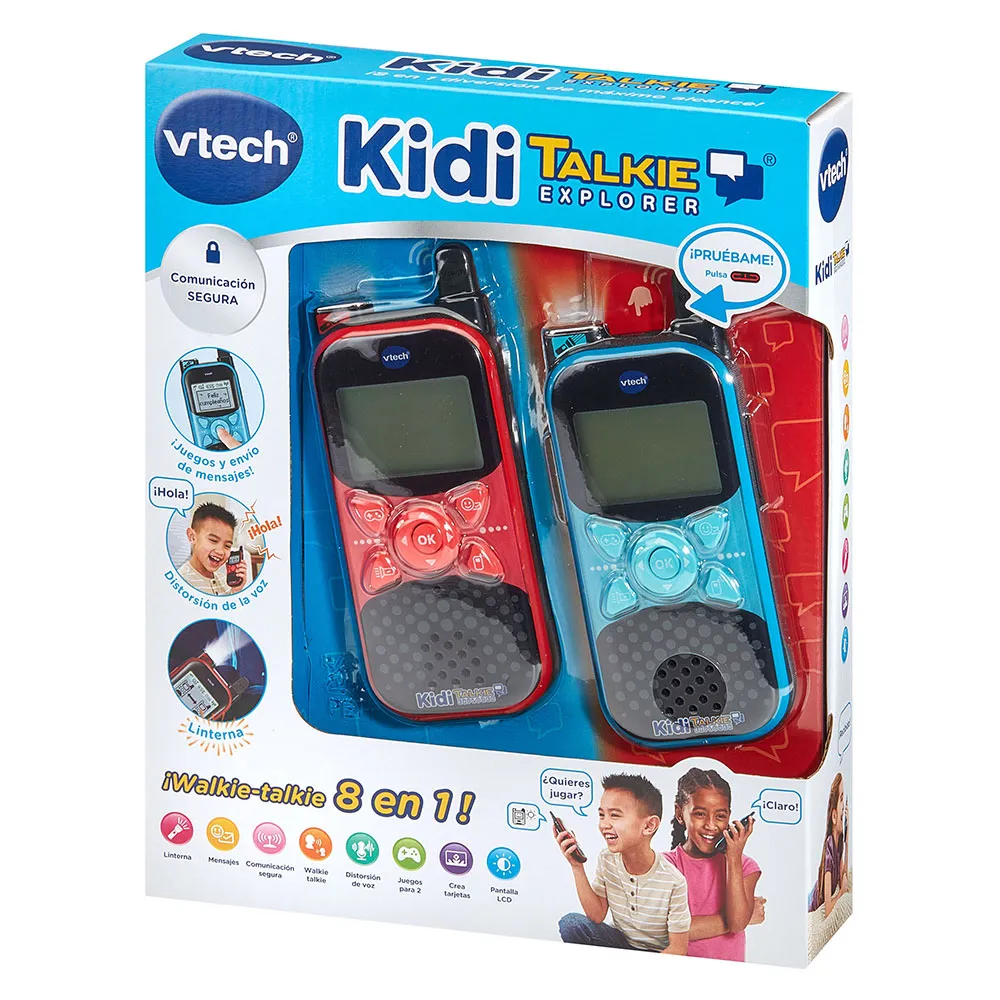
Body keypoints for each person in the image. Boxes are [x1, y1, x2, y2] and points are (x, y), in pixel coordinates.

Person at [555, 773, 690, 955]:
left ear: (649, 826)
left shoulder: (674, 882)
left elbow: (678, 949)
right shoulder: (607, 859)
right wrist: (576, 866)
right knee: (571, 923)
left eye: (615, 815)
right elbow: (596, 915)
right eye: (602, 815)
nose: (604, 824)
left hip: (656, 954)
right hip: (619, 944)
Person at [663, 767, 765, 962]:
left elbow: (737, 924)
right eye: (700, 814)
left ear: (729, 816)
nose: (711, 825)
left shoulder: (745, 866)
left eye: (720, 816)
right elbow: (665, 930)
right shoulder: (665, 865)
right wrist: (746, 915)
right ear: (679, 813)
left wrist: (733, 858)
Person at [177, 502, 247, 595]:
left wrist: (236, 591)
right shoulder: (181, 582)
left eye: (227, 546)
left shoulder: (225, 582)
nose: (220, 551)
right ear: (192, 537)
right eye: (213, 540)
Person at [809, 772, 849, 917]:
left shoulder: (838, 844)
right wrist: (841, 893)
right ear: (834, 816)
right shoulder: (829, 851)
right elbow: (828, 909)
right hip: (811, 901)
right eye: (842, 799)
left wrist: (847, 841)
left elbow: (843, 876)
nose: (845, 807)